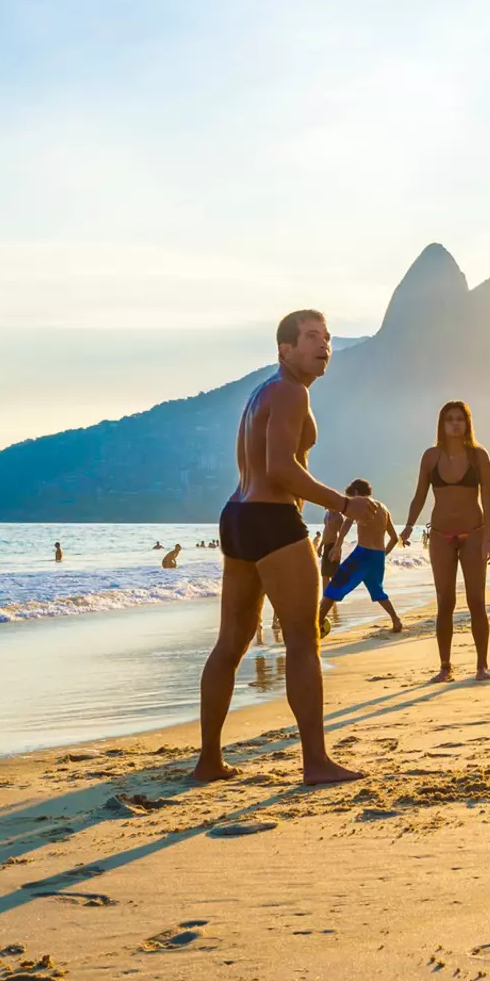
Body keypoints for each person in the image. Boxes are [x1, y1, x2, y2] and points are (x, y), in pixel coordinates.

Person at [192, 310, 365, 786]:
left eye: (327, 338)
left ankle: (208, 761)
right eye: (311, 337)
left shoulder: (262, 393)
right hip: (271, 517)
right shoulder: (291, 391)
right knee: (303, 641)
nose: (324, 345)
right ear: (284, 350)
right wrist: (344, 503)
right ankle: (316, 762)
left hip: (238, 516)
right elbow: (281, 469)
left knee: (230, 644)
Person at [401, 401, 490, 682]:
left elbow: (488, 501)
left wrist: (488, 540)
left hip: (474, 534)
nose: (455, 424)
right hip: (441, 535)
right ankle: (445, 667)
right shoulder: (431, 457)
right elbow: (419, 494)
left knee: (476, 601)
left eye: (460, 419)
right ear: (441, 424)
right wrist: (408, 526)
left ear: (467, 423)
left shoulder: (479, 456)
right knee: (445, 602)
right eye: (449, 419)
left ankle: (481, 666)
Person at [321, 479, 405, 634]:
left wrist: (337, 546)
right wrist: (382, 555)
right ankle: (396, 619)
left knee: (335, 586)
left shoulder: (360, 502)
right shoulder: (384, 508)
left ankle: (317, 622)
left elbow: (347, 522)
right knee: (377, 591)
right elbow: (394, 538)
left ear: (356, 493)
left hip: (362, 554)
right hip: (377, 556)